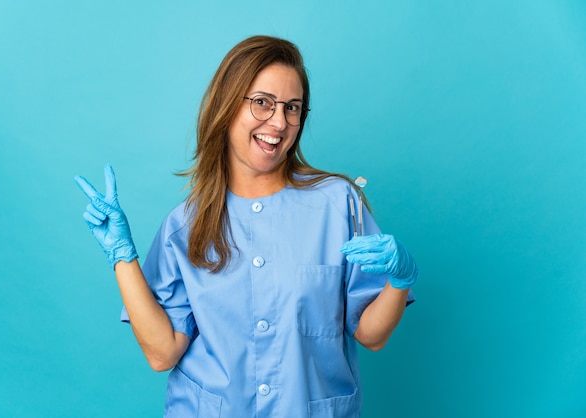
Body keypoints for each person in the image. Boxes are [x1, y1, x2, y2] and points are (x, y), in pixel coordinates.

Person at [75, 35, 418, 418]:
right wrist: (123, 258)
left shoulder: (337, 204)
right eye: (262, 103)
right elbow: (162, 352)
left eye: (293, 108)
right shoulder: (185, 225)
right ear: (227, 105)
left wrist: (400, 280)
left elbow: (371, 335)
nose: (279, 121)